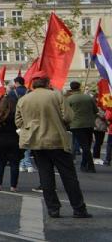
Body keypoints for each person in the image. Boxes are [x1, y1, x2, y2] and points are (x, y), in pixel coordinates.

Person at [16, 77, 90, 219]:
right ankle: (79, 208)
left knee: (45, 176)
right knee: (69, 176)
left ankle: (53, 209)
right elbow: (68, 117)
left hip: (36, 141)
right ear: (47, 84)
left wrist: (31, 126)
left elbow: (18, 121)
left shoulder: (24, 99)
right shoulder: (56, 95)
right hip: (57, 140)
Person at [0, 94, 22, 192]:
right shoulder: (16, 114)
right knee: (14, 164)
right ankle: (13, 186)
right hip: (15, 139)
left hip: (2, 140)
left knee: (0, 163)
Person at [65, 81, 98, 173]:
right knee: (87, 146)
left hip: (76, 125)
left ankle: (90, 166)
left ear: (71, 88)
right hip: (89, 124)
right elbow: (95, 110)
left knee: (84, 146)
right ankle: (84, 165)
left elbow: (66, 113)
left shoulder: (69, 99)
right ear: (79, 87)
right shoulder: (88, 97)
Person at [9, 76, 35, 174]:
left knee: (20, 142)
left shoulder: (12, 93)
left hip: (16, 119)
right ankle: (25, 164)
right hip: (29, 118)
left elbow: (10, 107)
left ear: (16, 83)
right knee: (27, 141)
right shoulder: (30, 92)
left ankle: (24, 163)